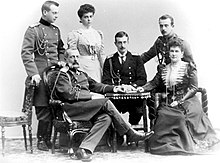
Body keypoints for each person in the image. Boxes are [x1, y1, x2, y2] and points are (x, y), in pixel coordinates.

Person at [51, 49, 153, 161]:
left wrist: (115, 88)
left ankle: (84, 149)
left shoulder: (82, 73)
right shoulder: (62, 75)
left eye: (77, 57)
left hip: (84, 108)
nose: (75, 59)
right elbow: (68, 94)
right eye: (72, 57)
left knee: (106, 118)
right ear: (65, 59)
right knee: (105, 102)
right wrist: (90, 96)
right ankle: (130, 132)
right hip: (71, 109)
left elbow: (96, 85)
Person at [137, 39, 219, 155]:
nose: (174, 54)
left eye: (176, 51)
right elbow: (154, 83)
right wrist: (143, 88)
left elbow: (194, 88)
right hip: (169, 100)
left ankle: (187, 143)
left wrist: (180, 101)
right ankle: (166, 145)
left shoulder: (189, 67)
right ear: (168, 53)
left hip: (188, 100)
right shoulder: (163, 68)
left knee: (181, 117)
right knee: (162, 115)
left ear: (182, 53)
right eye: (172, 51)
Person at [21, 1, 65, 151]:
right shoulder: (33, 30)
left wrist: (62, 61)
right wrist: (33, 73)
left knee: (55, 107)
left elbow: (61, 49)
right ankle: (41, 140)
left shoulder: (56, 30)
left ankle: (50, 139)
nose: (56, 16)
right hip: (40, 74)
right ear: (45, 12)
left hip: (55, 75)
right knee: (43, 108)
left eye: (57, 13)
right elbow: (26, 54)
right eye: (54, 13)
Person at [102, 31, 147, 125]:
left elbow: (142, 78)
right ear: (115, 44)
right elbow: (105, 80)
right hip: (117, 97)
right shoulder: (109, 60)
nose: (122, 45)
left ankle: (133, 135)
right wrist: (117, 88)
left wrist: (132, 86)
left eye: (124, 42)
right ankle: (119, 135)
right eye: (119, 43)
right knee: (111, 115)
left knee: (138, 112)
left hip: (133, 96)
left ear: (128, 42)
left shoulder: (136, 58)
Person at [67, 4, 104, 83]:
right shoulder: (75, 34)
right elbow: (72, 54)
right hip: (82, 66)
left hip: (96, 66)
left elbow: (101, 54)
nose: (89, 19)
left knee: (98, 88)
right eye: (86, 17)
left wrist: (104, 68)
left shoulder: (98, 34)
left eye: (91, 16)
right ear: (81, 19)